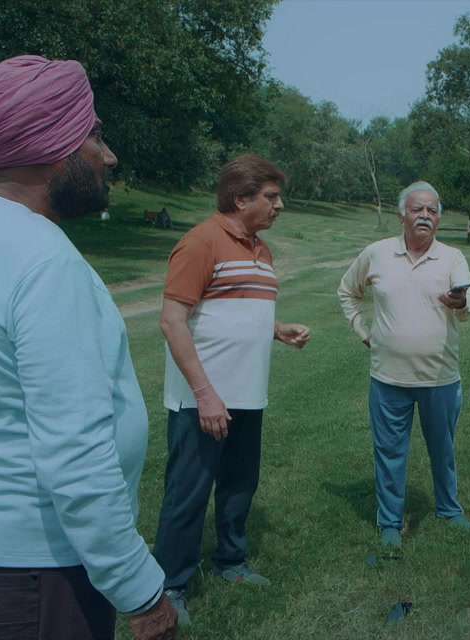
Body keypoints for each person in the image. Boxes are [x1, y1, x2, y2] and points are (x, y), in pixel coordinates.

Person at [0, 55, 176, 640]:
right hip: (39, 571)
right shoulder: (44, 260)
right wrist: (139, 590)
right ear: (49, 145)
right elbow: (75, 451)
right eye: (94, 135)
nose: (108, 156)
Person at [152, 153, 312, 625]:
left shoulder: (262, 249)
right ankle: (169, 585)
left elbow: (234, 311)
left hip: (248, 395)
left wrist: (276, 328)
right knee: (188, 491)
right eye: (271, 196)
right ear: (240, 198)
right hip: (202, 399)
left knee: (240, 484)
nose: (279, 205)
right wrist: (205, 394)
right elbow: (172, 321)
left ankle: (230, 560)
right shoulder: (200, 242)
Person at [338, 181, 470, 548]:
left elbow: (469, 295)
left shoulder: (451, 257)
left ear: (438, 219)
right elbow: (348, 291)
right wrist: (363, 332)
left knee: (443, 449)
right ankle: (389, 522)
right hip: (388, 377)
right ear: (401, 216)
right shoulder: (376, 253)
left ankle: (448, 509)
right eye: (417, 209)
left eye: (432, 210)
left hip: (440, 376)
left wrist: (462, 303)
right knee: (389, 452)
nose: (425, 216)